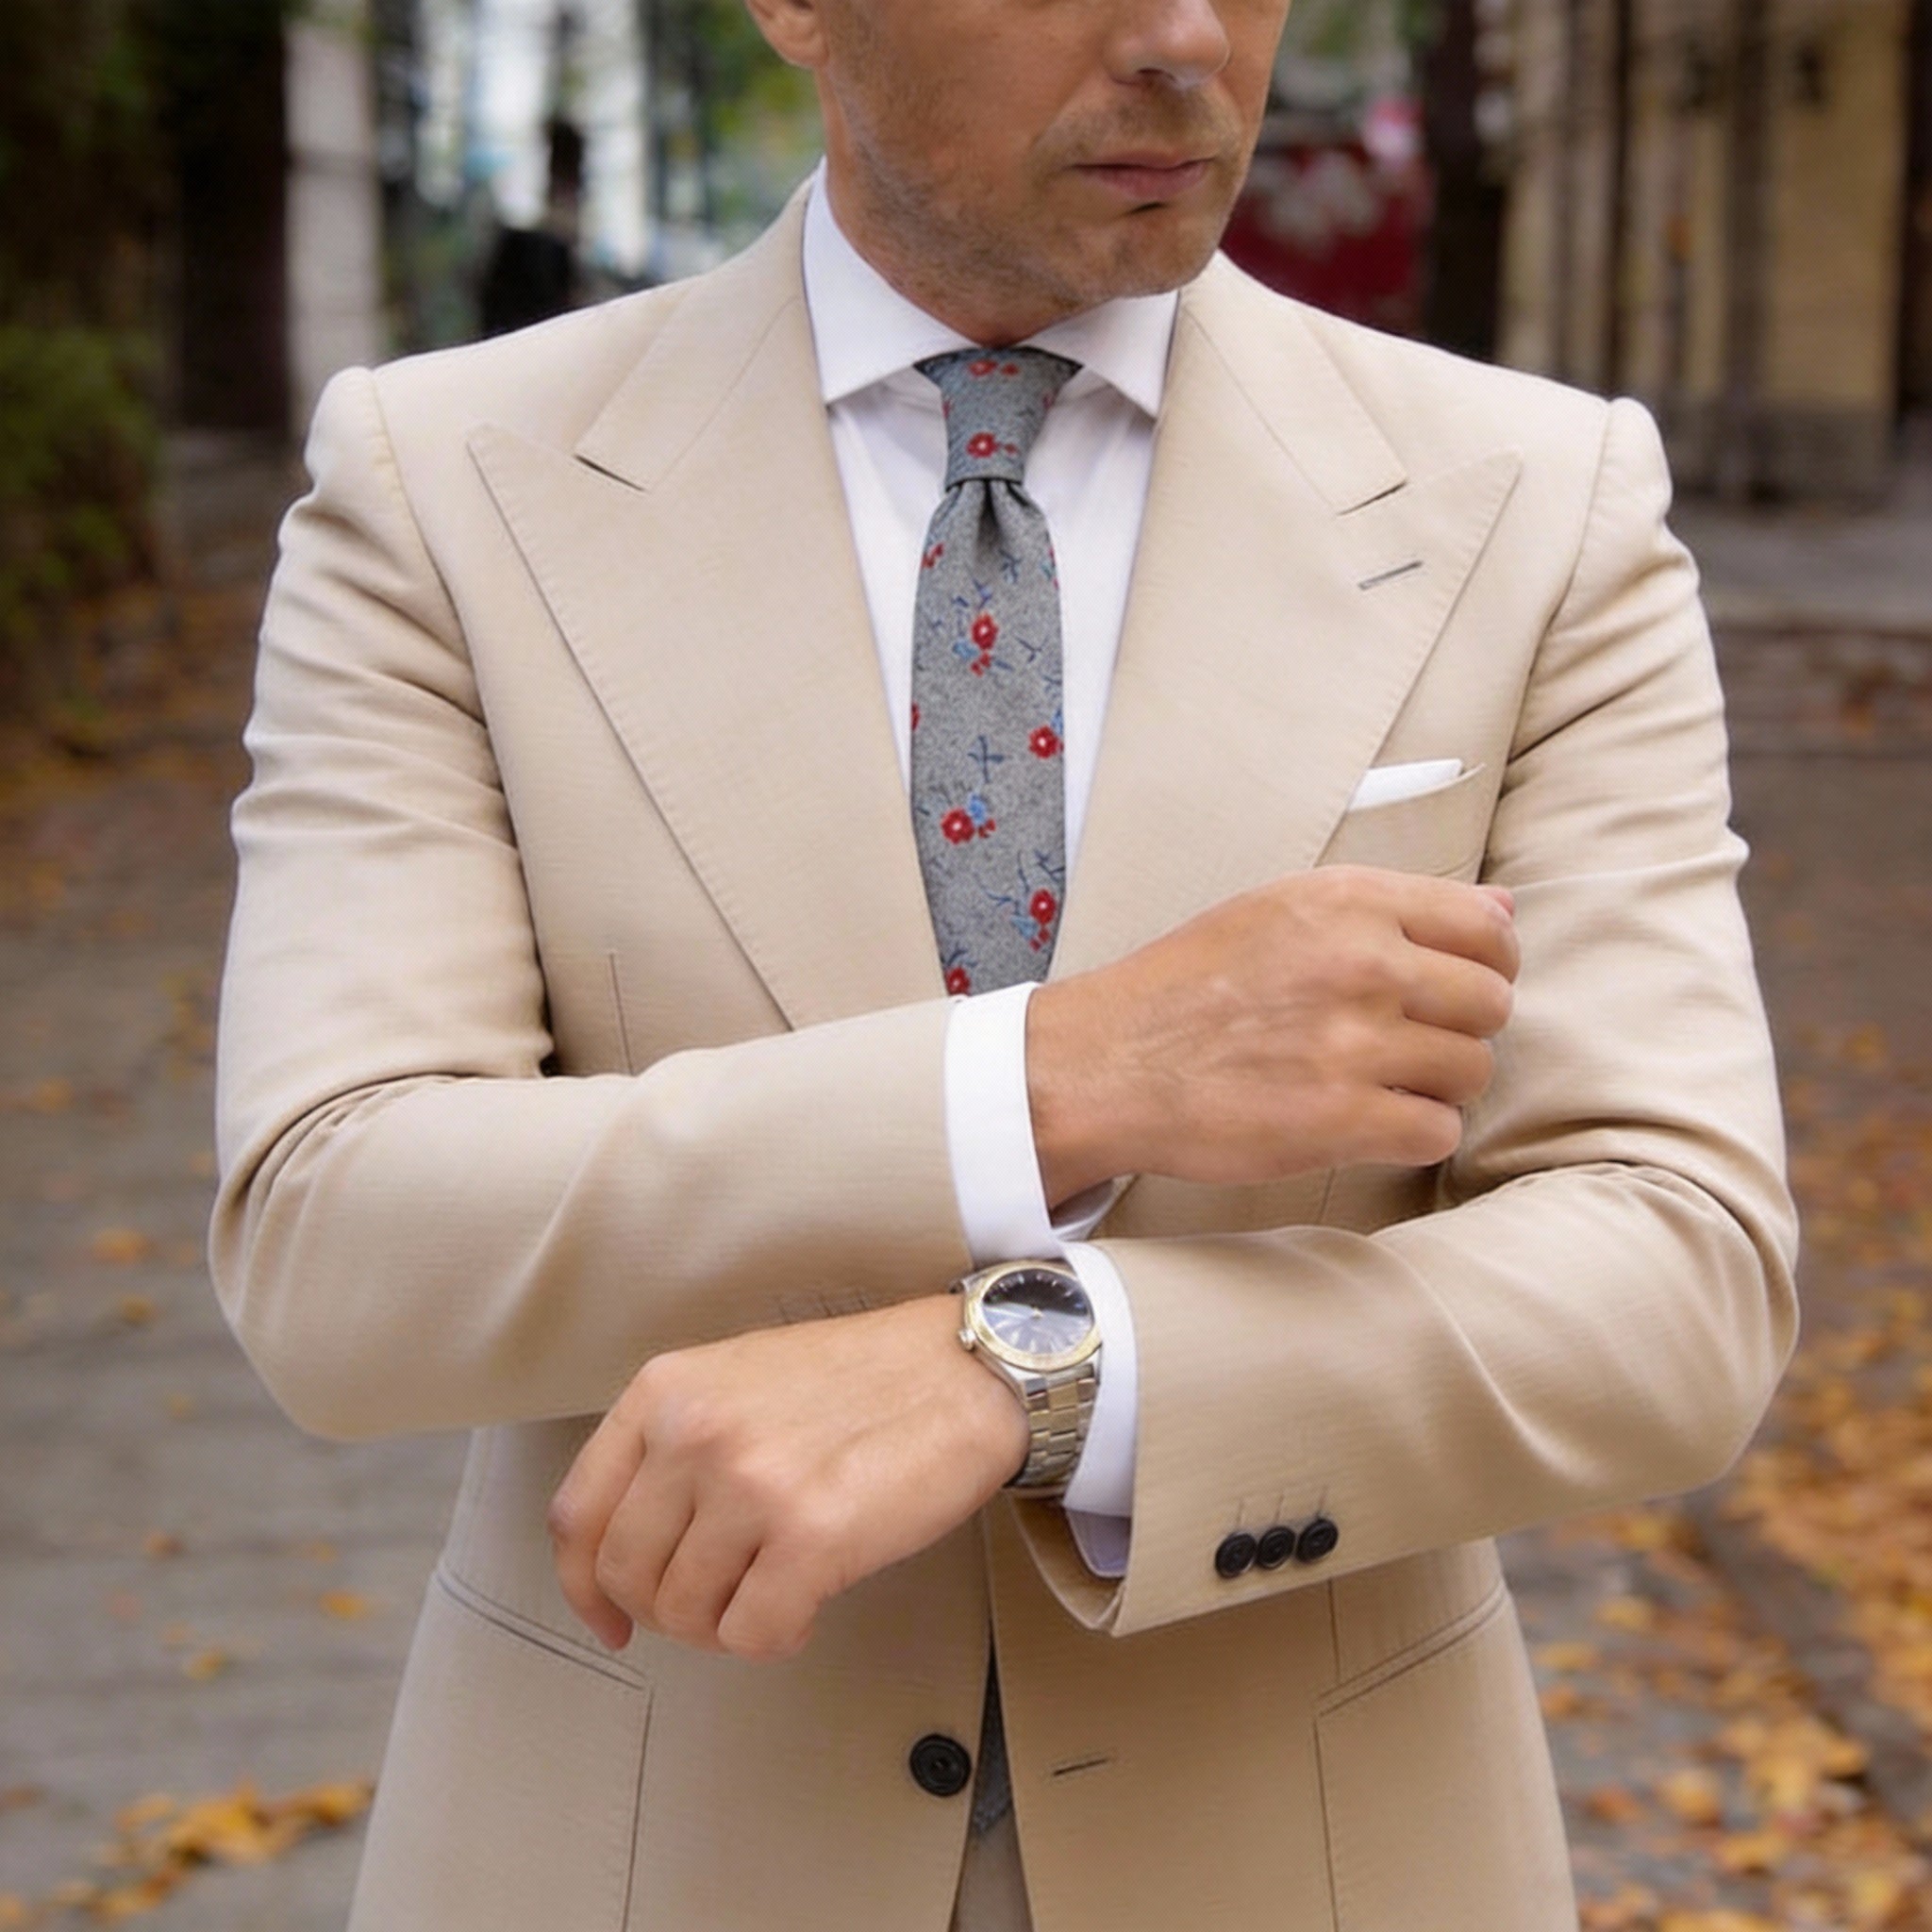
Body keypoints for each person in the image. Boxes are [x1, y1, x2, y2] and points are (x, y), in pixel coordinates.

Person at [208, 1, 1799, 1927]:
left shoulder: (1535, 504)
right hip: (642, 1852)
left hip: (1321, 1853)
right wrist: (1049, 1080)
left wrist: (1037, 1373)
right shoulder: (446, 483)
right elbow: (334, 1240)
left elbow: (1674, 1270)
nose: (1186, 36)